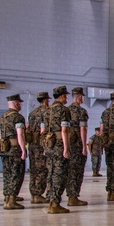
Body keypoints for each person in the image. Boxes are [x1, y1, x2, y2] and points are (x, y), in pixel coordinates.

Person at [42, 85, 72, 214]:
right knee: (60, 174)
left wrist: (45, 146)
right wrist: (66, 148)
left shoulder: (46, 111)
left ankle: (50, 200)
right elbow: (64, 130)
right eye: (66, 96)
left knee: (50, 173)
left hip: (49, 145)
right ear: (62, 96)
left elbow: (43, 131)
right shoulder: (64, 111)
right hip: (59, 145)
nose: (67, 98)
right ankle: (55, 203)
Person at [0, 94, 28, 210]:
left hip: (5, 149)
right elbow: (20, 134)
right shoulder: (18, 118)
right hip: (15, 149)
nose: (20, 105)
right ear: (16, 104)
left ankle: (7, 197)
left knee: (7, 174)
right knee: (16, 174)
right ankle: (11, 201)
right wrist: (23, 149)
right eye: (19, 103)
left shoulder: (2, 118)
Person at [66, 87, 89, 206]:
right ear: (79, 97)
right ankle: (73, 197)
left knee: (69, 171)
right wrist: (84, 147)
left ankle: (70, 195)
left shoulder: (66, 110)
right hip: (77, 145)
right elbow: (83, 130)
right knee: (77, 171)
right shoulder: (81, 112)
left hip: (67, 145)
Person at [26, 91, 50, 204]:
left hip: (32, 144)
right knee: (42, 169)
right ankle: (38, 193)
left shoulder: (32, 113)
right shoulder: (46, 112)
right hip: (41, 145)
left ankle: (33, 193)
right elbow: (44, 130)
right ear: (45, 100)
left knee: (33, 169)